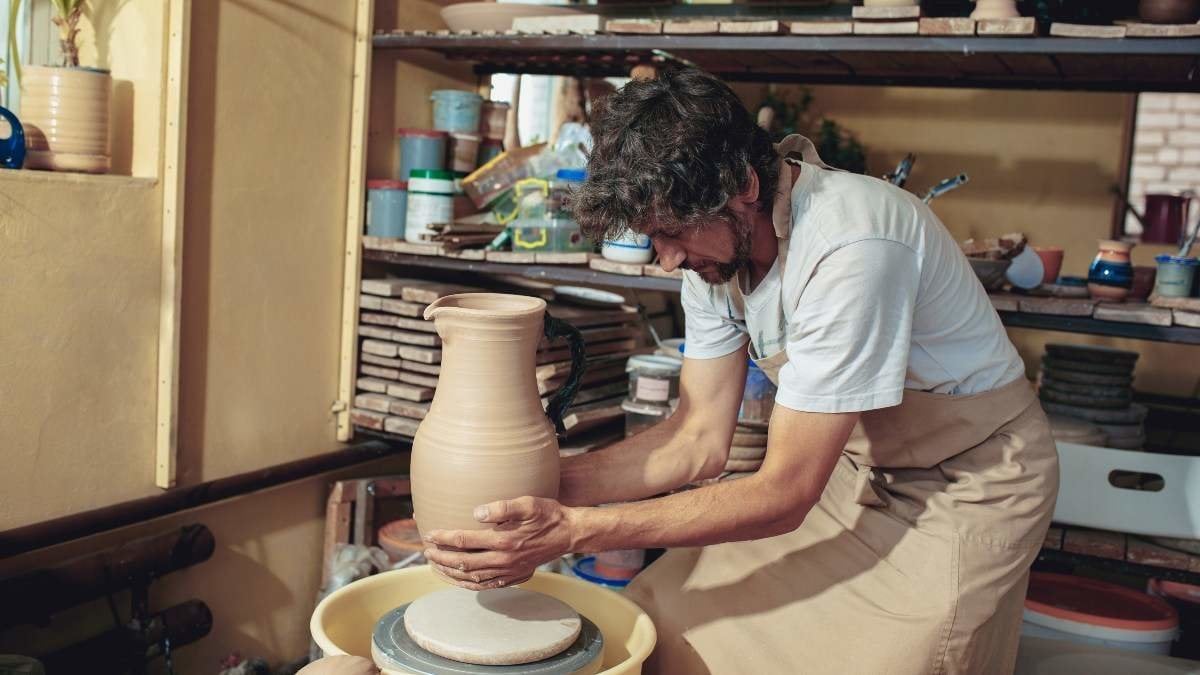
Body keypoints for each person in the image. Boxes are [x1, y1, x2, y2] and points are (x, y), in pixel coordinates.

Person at [422, 67, 1059, 674]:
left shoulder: (852, 246)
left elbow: (783, 493)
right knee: (660, 615)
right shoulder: (717, 254)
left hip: (969, 485)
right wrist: (535, 483)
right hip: (855, 470)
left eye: (671, 232)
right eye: (651, 235)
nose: (665, 260)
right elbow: (697, 440)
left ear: (744, 188)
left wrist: (576, 531)